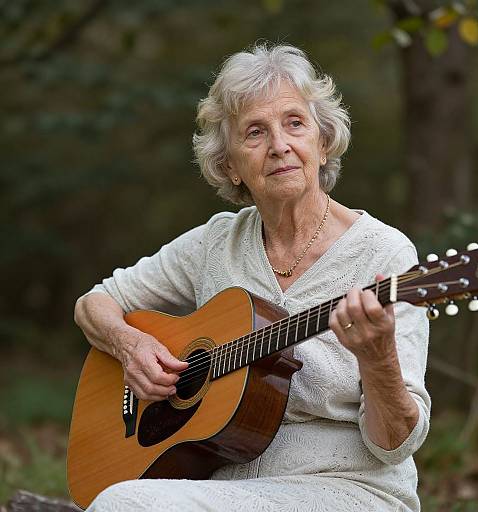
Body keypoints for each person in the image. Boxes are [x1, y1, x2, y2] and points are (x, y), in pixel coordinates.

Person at [74, 43, 430, 511]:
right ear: (229, 165)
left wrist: (378, 358)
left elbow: (396, 445)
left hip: (349, 488)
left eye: (295, 124)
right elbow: (94, 303)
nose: (280, 145)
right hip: (219, 483)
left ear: (323, 144)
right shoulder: (215, 242)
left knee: (125, 506)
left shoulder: (385, 254)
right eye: (255, 133)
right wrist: (129, 344)